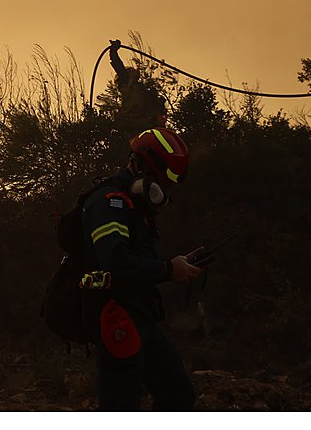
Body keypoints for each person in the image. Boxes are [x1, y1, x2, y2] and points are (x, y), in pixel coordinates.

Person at [82, 127, 203, 411]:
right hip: (118, 318)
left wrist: (175, 264)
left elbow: (139, 262)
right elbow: (116, 261)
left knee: (178, 394)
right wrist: (167, 270)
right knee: (121, 407)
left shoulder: (134, 208)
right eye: (163, 181)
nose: (165, 191)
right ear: (138, 166)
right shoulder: (108, 203)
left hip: (142, 319)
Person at [108, 39, 169, 161]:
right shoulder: (128, 85)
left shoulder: (141, 89)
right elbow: (118, 65)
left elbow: (155, 105)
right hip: (135, 123)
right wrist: (113, 51)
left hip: (146, 123)